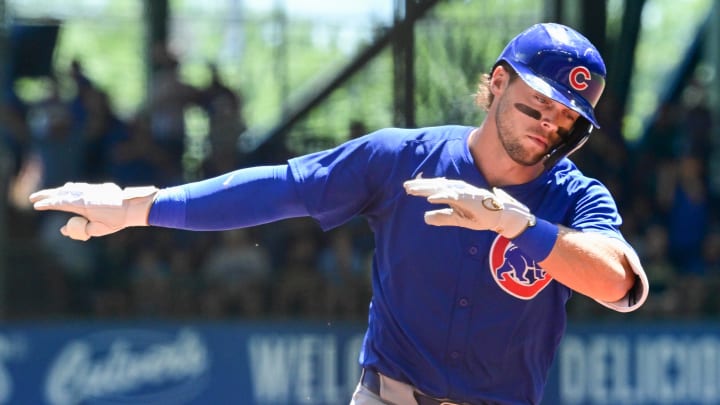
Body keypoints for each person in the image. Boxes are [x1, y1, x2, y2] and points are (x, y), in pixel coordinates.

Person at [29, 23, 648, 405]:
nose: (547, 127)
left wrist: (515, 223)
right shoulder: (401, 157)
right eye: (536, 106)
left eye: (566, 121)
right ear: (497, 83)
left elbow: (619, 283)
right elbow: (279, 187)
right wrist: (138, 207)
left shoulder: (574, 197)